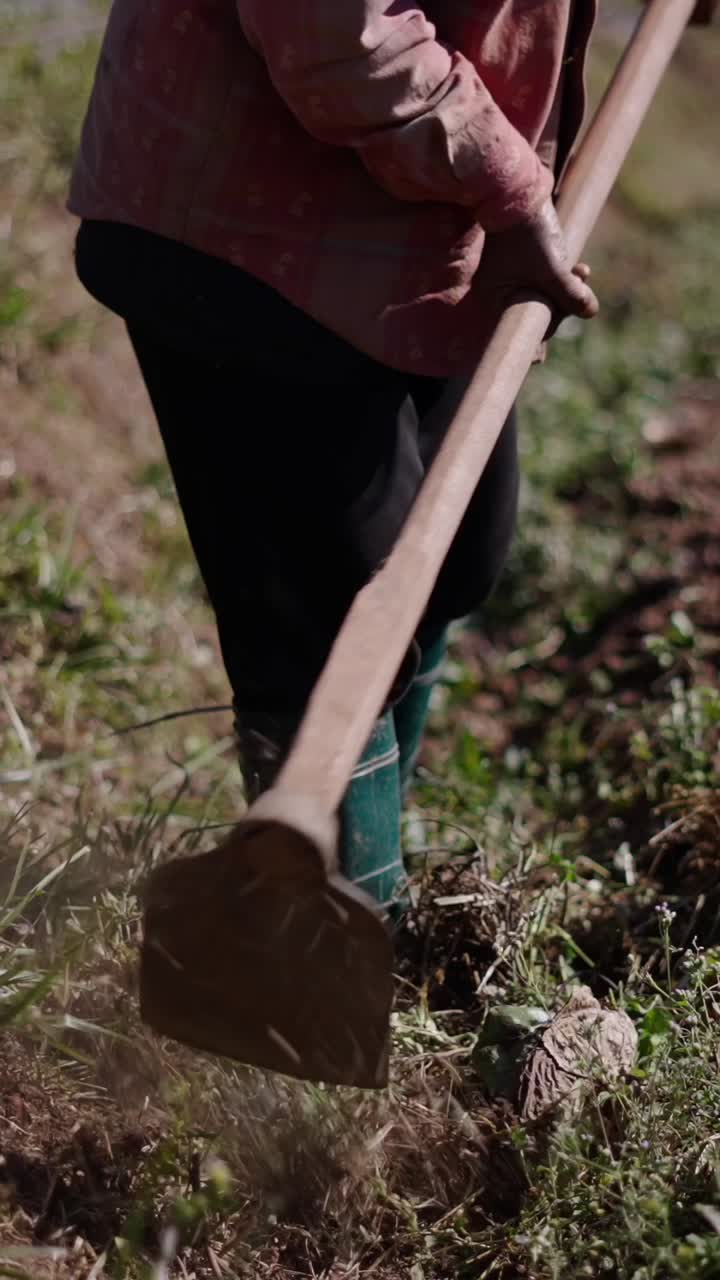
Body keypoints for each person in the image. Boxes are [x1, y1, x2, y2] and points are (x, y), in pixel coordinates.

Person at [69, 0, 601, 913]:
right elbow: (337, 30)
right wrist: (508, 189)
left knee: (453, 559)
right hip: (244, 226)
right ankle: (329, 939)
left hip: (426, 216)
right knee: (327, 619)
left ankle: (381, 854)